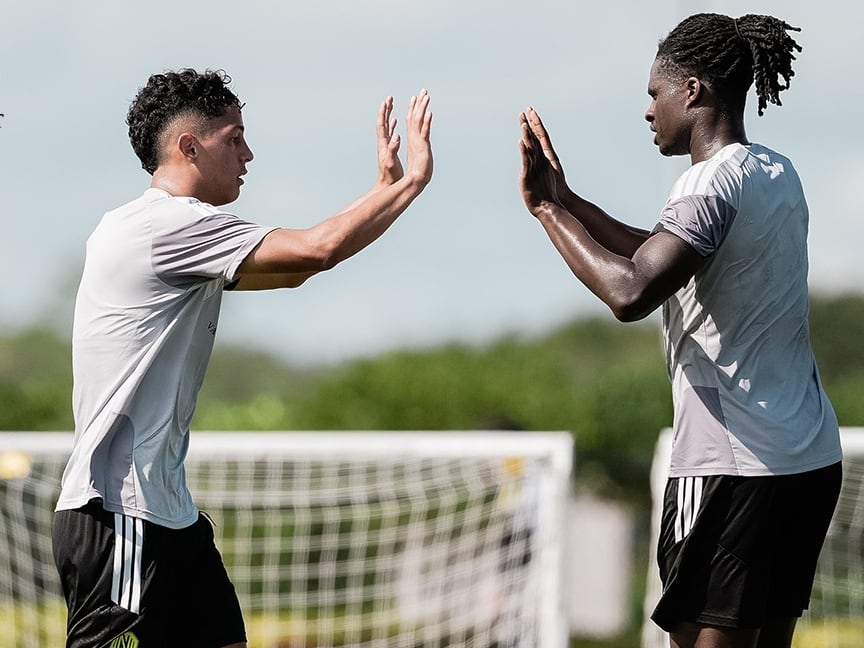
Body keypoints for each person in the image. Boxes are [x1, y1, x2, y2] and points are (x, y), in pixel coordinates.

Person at [52, 68, 433, 648]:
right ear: (189, 147)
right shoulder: (165, 227)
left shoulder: (169, 235)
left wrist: (382, 191)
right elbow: (318, 248)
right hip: (119, 511)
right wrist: (407, 187)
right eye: (234, 137)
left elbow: (298, 270)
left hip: (168, 515)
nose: (248, 153)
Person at [518, 13, 842, 648]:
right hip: (807, 458)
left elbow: (632, 289)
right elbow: (666, 257)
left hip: (731, 464)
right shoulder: (775, 173)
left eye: (653, 93)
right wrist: (573, 201)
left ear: (691, 90)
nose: (648, 111)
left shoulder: (705, 181)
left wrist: (546, 211)